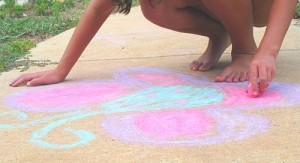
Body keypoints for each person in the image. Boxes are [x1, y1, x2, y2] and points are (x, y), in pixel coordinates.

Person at [10, 0, 297, 97]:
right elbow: (99, 8)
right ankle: (220, 34)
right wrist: (62, 70)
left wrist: (266, 52)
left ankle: (244, 50)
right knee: (154, 6)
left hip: (260, 6)